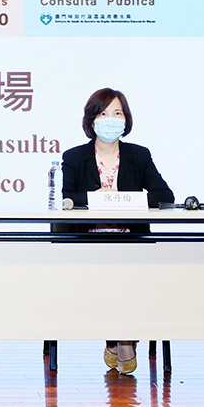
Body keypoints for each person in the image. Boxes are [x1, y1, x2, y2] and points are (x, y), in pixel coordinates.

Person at [61, 87, 174, 374]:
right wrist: (97, 198)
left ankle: (120, 338)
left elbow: (164, 196)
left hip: (132, 241)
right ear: (92, 120)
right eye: (103, 113)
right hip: (89, 243)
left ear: (126, 119)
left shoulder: (139, 155)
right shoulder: (74, 157)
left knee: (129, 273)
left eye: (117, 113)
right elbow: (68, 198)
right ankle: (121, 338)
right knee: (108, 274)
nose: (110, 119)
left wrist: (126, 199)